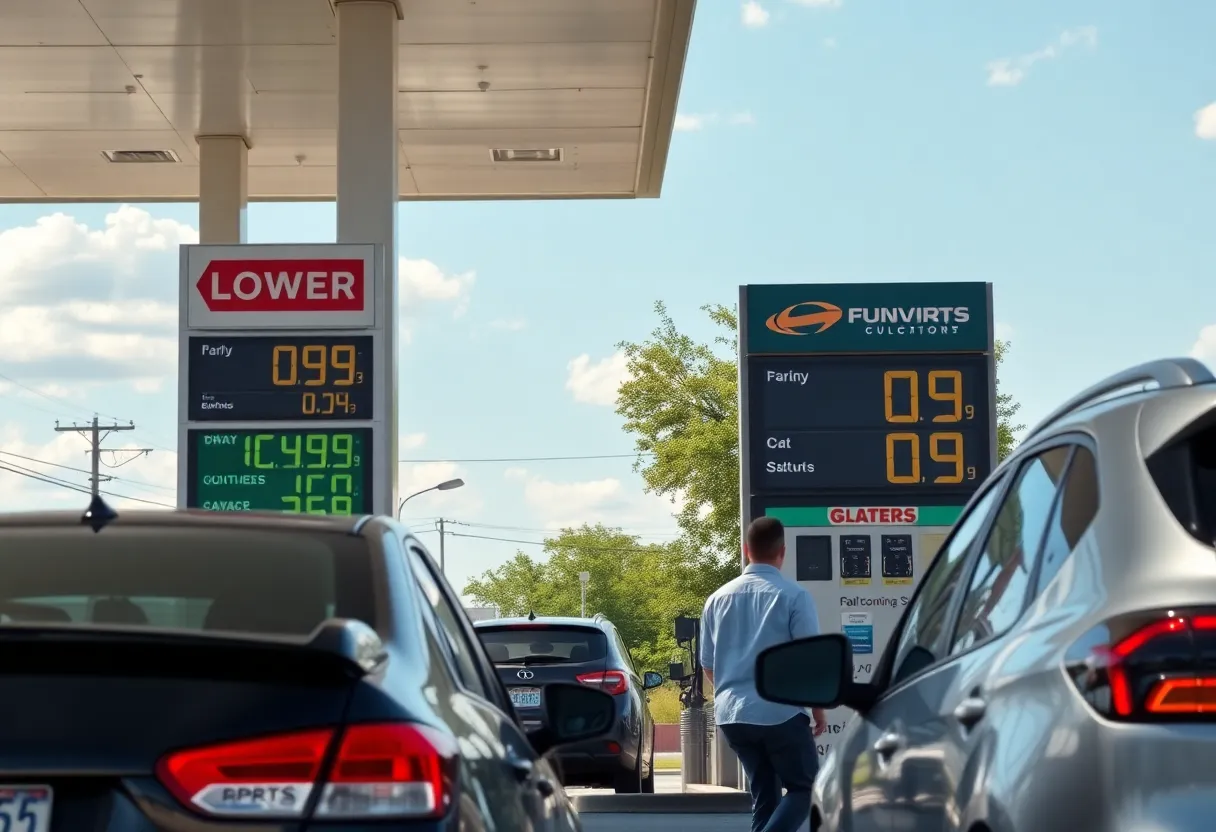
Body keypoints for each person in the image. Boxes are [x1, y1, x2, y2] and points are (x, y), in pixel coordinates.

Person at [700, 515, 826, 832]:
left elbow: (707, 664)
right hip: (780, 713)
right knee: (807, 789)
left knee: (765, 795)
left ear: (746, 550)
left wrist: (734, 694)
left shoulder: (716, 599)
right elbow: (809, 659)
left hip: (732, 716)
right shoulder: (794, 596)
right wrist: (818, 709)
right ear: (782, 552)